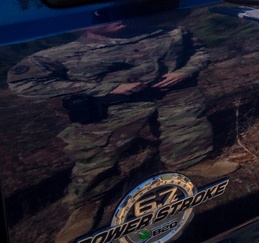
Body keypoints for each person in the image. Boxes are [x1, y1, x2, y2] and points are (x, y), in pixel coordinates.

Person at [7, 22, 225, 241]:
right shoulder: (60, 52)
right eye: (105, 15)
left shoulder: (169, 31)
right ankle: (87, 203)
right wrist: (105, 89)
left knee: (188, 127)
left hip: (172, 93)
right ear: (84, 22)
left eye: (119, 10)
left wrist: (184, 72)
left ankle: (191, 160)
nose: (116, 18)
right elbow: (24, 82)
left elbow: (198, 51)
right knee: (96, 155)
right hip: (111, 105)